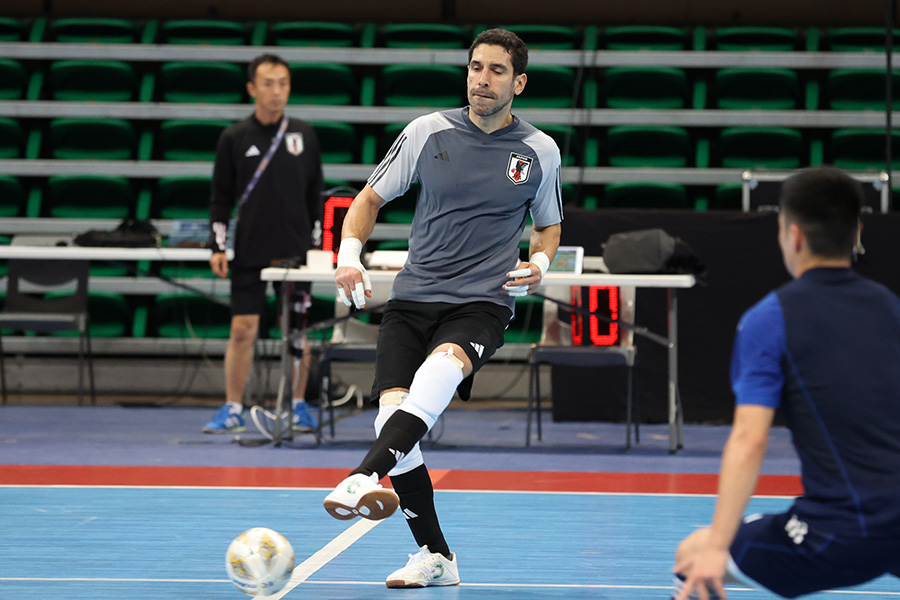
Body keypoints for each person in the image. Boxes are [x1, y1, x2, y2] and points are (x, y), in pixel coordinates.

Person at [322, 28, 563, 588]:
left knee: (438, 373)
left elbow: (548, 225)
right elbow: (368, 199)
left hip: (482, 300)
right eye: (476, 67)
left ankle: (363, 474)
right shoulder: (426, 132)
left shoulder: (539, 151)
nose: (482, 78)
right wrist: (349, 256)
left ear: (518, 82)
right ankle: (437, 557)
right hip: (412, 298)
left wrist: (541, 265)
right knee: (392, 419)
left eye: (497, 70)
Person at [672, 166, 900, 600]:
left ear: (792, 236)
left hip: (842, 533)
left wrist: (718, 547)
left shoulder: (770, 318)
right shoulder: (891, 308)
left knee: (694, 555)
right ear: (857, 232)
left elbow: (749, 440)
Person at [202, 53, 323, 435]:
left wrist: (317, 248)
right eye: (268, 83)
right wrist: (217, 246)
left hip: (296, 252)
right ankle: (233, 406)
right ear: (252, 88)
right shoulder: (234, 138)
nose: (276, 91)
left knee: (297, 331)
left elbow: (315, 196)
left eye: (283, 83)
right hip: (251, 251)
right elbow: (220, 198)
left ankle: (299, 405)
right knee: (242, 329)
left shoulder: (304, 134)